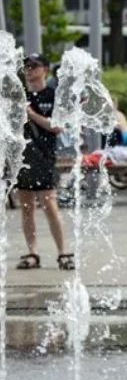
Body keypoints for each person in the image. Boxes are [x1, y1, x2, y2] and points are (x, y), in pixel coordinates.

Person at [14, 53, 73, 271]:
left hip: (45, 157)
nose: (29, 69)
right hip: (24, 157)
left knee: (49, 204)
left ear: (45, 70)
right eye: (26, 66)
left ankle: (63, 252)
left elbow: (57, 126)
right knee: (27, 207)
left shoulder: (54, 95)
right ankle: (32, 253)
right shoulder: (19, 97)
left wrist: (30, 114)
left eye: (34, 66)